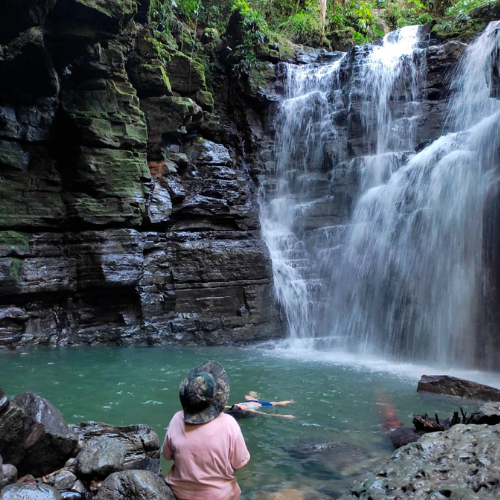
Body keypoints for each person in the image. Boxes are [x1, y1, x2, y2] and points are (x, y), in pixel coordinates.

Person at [162, 360, 250, 500]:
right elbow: (240, 463)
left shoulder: (177, 419)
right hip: (221, 496)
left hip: (179, 494)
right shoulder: (229, 424)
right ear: (216, 397)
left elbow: (166, 456)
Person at [225, 391, 295, 419]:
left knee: (247, 395)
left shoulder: (234, 407)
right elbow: (266, 414)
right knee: (276, 403)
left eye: (237, 405)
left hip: (251, 401)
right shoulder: (250, 410)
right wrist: (284, 416)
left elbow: (223, 406)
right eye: (239, 406)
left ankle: (255, 395)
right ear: (241, 410)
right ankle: (291, 402)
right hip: (261, 404)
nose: (238, 405)